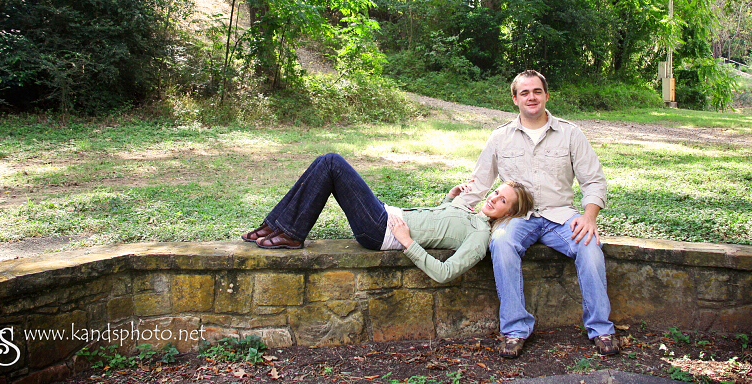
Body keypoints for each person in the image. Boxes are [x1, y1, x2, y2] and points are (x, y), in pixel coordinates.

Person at [454, 69, 619, 358]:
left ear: (546, 95)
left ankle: (601, 328)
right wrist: (449, 207)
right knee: (502, 242)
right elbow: (479, 183)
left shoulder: (570, 133)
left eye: (537, 91)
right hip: (518, 218)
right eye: (525, 93)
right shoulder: (499, 137)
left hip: (560, 215)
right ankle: (515, 330)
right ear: (515, 98)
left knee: (589, 245)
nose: (532, 97)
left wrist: (589, 216)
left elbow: (593, 181)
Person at [242, 153, 534, 284]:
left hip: (381, 231)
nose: (494, 198)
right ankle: (277, 224)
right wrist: (450, 197)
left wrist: (408, 243)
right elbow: (440, 223)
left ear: (509, 213)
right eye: (497, 192)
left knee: (332, 163)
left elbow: (445, 273)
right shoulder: (469, 213)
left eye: (503, 201)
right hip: (386, 215)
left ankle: (291, 233)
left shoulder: (481, 236)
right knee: (324, 163)